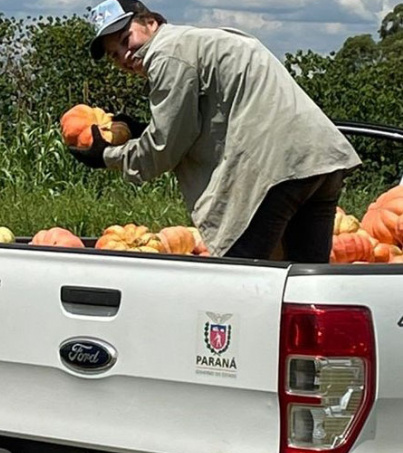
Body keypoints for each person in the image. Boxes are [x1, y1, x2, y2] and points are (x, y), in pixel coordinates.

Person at [70, 0, 362, 262]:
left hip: (278, 170)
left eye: (125, 39)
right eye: (114, 54)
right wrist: (142, 130)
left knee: (243, 275)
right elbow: (202, 126)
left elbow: (165, 148)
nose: (124, 55)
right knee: (302, 282)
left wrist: (107, 155)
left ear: (150, 22)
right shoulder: (195, 42)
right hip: (321, 161)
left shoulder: (167, 55)